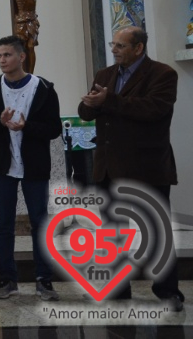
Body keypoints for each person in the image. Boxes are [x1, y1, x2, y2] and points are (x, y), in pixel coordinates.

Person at [77, 25, 184, 311]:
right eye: (113, 45)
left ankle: (168, 291)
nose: (114, 50)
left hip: (146, 165)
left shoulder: (162, 74)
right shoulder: (105, 75)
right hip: (109, 166)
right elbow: (87, 112)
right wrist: (88, 105)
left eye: (121, 46)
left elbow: (153, 109)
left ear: (138, 48)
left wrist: (108, 100)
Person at [0, 36, 62, 301]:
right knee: (4, 223)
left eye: (7, 55)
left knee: (39, 221)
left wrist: (27, 127)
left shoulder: (44, 88)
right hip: (4, 165)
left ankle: (43, 280)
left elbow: (53, 129)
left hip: (34, 167)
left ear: (21, 57)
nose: (2, 60)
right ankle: (7, 279)